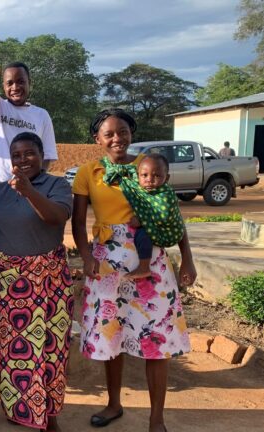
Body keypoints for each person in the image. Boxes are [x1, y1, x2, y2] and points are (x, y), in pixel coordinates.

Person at [72, 109, 196, 432]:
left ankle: (157, 418)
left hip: (149, 258)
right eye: (109, 133)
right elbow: (77, 220)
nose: (117, 138)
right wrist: (85, 255)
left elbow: (172, 213)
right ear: (97, 139)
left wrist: (187, 258)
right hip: (106, 260)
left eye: (123, 131)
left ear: (132, 133)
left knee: (158, 337)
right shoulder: (89, 172)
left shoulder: (148, 165)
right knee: (113, 334)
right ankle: (114, 403)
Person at [0, 132, 73, 432]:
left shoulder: (57, 185)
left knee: (51, 350)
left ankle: (49, 415)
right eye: (17, 155)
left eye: (29, 153)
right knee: (12, 351)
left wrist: (28, 192)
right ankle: (21, 410)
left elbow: (57, 218)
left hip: (50, 283)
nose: (23, 159)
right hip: (9, 284)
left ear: (42, 156)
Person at [110, 153, 185, 280]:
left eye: (157, 175)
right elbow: (130, 184)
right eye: (144, 175)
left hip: (168, 232)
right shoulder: (140, 188)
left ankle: (144, 268)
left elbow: (165, 215)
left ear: (166, 178)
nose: (149, 179)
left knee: (142, 235)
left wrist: (142, 221)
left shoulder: (166, 194)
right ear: (138, 175)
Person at [0, 63, 58, 183]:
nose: (15, 87)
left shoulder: (42, 115)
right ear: (3, 86)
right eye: (9, 83)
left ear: (29, 83)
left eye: (20, 81)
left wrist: (35, 183)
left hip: (26, 187)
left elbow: (46, 156)